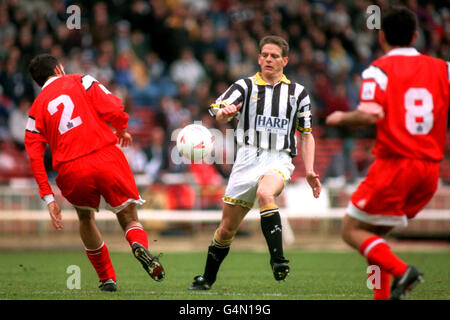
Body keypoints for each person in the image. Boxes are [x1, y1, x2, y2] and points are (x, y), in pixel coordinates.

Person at [326, 7, 449, 300]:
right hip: (430, 171)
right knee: (373, 234)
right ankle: (381, 297)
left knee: (351, 230)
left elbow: (370, 114)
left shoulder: (378, 69)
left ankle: (403, 271)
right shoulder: (442, 67)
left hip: (396, 165)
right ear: (416, 36)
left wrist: (341, 117)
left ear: (381, 37)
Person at [189, 35, 322, 290]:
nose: (268, 59)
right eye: (265, 55)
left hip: (279, 157)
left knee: (265, 192)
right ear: (259, 58)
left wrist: (311, 170)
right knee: (226, 229)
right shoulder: (244, 86)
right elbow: (218, 109)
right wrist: (224, 114)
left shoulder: (298, 93)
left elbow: (306, 134)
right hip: (246, 157)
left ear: (285, 60)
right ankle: (207, 278)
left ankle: (278, 259)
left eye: (274, 56)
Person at [25, 54, 165, 292]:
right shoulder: (80, 79)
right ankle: (137, 245)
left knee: (85, 218)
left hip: (71, 168)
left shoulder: (35, 109)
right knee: (129, 216)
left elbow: (34, 156)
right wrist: (121, 127)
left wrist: (48, 197)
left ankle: (107, 278)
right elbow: (111, 105)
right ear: (59, 69)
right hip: (104, 156)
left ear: (39, 82)